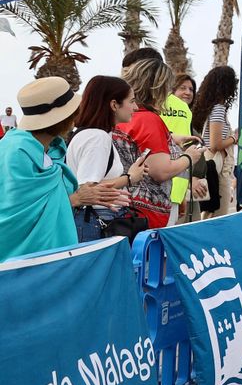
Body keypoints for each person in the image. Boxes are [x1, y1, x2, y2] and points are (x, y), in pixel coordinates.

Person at [0, 77, 130, 258]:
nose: (78, 114)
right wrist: (75, 199)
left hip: (50, 256)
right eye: (72, 111)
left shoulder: (52, 149)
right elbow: (16, 218)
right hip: (23, 262)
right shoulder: (16, 153)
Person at [119, 57, 207, 229]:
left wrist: (170, 139)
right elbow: (160, 171)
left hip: (127, 210)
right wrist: (189, 157)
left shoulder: (125, 116)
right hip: (147, 217)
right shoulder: (149, 119)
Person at [65, 75, 152, 242]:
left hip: (92, 219)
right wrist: (130, 178)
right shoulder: (98, 138)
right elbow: (88, 189)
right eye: (131, 101)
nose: (135, 107)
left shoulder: (86, 133)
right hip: (98, 220)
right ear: (114, 105)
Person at [191, 66, 240, 217]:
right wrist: (234, 138)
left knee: (207, 212)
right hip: (218, 168)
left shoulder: (207, 108)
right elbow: (215, 145)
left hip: (208, 166)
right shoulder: (218, 109)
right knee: (219, 214)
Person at [160, 73, 198, 215]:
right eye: (183, 88)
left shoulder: (159, 104)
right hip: (172, 182)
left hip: (161, 182)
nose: (188, 92)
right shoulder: (184, 111)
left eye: (191, 89)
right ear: (172, 88)